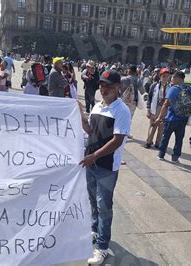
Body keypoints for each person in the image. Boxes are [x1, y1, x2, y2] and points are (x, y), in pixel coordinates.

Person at [79, 69, 131, 265]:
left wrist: (94, 156)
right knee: (93, 200)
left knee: (104, 206)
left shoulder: (122, 110)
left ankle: (102, 247)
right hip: (91, 162)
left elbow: (117, 141)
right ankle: (94, 229)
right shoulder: (98, 107)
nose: (103, 88)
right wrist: (82, 117)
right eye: (101, 84)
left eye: (108, 85)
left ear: (118, 88)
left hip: (106, 166)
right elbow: (91, 132)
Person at [154, 71, 191, 163]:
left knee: (165, 137)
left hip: (172, 118)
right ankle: (175, 157)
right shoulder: (190, 88)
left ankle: (161, 154)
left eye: (172, 78)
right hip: (183, 118)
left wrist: (159, 118)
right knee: (179, 139)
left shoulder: (174, 89)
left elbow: (166, 104)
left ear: (178, 78)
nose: (171, 79)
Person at [145, 68, 170, 149]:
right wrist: (148, 110)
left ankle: (158, 143)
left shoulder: (170, 87)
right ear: (160, 76)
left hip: (165, 108)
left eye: (167, 76)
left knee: (162, 127)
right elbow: (149, 98)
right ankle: (149, 142)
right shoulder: (154, 86)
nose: (165, 78)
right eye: (163, 76)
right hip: (155, 107)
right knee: (153, 125)